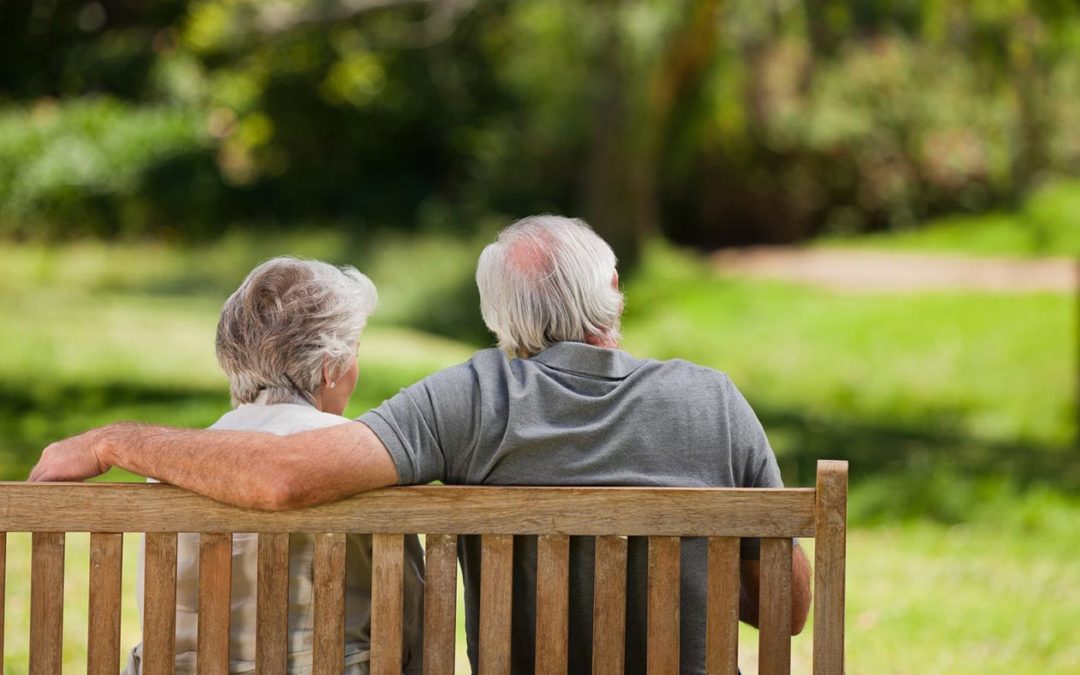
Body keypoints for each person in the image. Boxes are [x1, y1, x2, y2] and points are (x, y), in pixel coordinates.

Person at [33, 216, 811, 674]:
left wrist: (114, 438)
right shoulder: (716, 398)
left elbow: (281, 476)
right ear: (612, 293)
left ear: (500, 318)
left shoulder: (475, 397)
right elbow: (788, 608)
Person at [123, 257, 424, 674]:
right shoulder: (360, 463)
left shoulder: (172, 464)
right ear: (329, 367)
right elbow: (408, 622)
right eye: (355, 353)